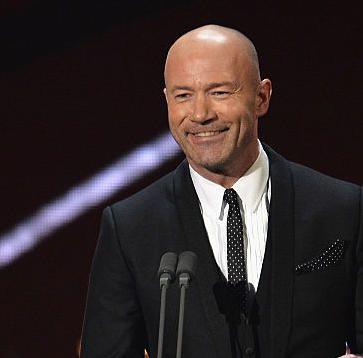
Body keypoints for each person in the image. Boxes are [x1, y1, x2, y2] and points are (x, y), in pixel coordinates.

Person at [81, 24, 363, 358]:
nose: (200, 114)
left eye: (219, 92)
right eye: (183, 95)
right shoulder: (128, 228)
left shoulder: (343, 209)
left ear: (261, 97)